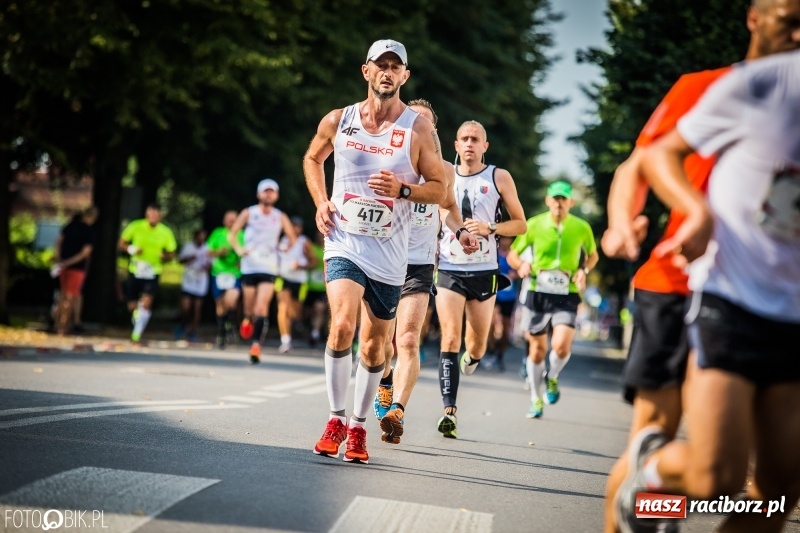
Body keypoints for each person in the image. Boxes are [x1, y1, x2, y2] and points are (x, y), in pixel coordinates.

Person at [602, 2, 800, 530]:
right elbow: (639, 163)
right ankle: (642, 505)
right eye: (790, 20)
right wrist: (623, 223)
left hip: (774, 292)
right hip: (677, 280)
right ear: (756, 18)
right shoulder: (710, 85)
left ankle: (655, 507)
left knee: (770, 489)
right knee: (660, 431)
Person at [303, 39, 448, 464]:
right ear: (366, 71)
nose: (387, 72)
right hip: (345, 239)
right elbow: (313, 159)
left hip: (389, 253)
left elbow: (440, 189)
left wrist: (404, 189)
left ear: (405, 75)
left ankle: (359, 426)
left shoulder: (417, 129)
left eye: (394, 66)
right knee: (342, 325)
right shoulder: (339, 119)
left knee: (373, 348)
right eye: (379, 65)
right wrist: (320, 202)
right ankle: (334, 419)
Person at [372, 98, 478, 445]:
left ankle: (397, 411)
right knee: (378, 342)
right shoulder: (386, 159)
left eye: (427, 124)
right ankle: (385, 380)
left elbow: (447, 208)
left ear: (433, 131)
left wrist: (460, 231)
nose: (419, 128)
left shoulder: (444, 170)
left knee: (407, 338)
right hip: (381, 258)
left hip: (418, 263)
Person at [434, 120, 527, 438]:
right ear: (455, 144)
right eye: (464, 139)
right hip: (449, 267)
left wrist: (492, 229)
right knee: (450, 338)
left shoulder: (498, 176)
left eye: (476, 139)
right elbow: (437, 212)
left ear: (485, 146)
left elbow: (521, 225)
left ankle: (471, 358)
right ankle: (450, 411)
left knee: (475, 346)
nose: (470, 144)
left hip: (485, 272)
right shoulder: (445, 175)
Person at [507, 180, 598, 419]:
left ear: (571, 202)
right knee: (537, 351)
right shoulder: (534, 225)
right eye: (555, 198)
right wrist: (522, 264)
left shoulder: (581, 227)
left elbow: (593, 255)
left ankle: (553, 376)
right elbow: (513, 255)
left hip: (566, 294)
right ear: (548, 200)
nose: (559, 203)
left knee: (561, 346)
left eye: (563, 199)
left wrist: (583, 270)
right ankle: (536, 399)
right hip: (538, 292)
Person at [229, 179, 296, 363]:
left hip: (268, 266)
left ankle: (256, 346)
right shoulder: (249, 212)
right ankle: (247, 319)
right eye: (265, 191)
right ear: (259, 194)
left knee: (261, 307)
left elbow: (292, 237)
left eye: (272, 192)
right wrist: (239, 249)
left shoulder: (280, 216)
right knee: (249, 309)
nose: (268, 194)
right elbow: (232, 234)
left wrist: (285, 248)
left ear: (276, 195)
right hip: (249, 265)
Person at [119, 203, 177, 343]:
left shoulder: (165, 232)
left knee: (147, 302)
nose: (154, 218)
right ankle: (138, 318)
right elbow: (122, 243)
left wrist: (165, 257)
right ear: (147, 214)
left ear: (160, 216)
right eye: (151, 214)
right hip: (136, 269)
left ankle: (136, 335)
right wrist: (132, 249)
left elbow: (172, 252)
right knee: (132, 305)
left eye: (157, 215)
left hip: (153, 271)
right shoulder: (136, 226)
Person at [52, 206, 98, 335]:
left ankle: (57, 323)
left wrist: (59, 258)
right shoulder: (90, 232)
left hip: (62, 265)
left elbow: (58, 241)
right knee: (71, 296)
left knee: (63, 294)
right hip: (77, 268)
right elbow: (85, 253)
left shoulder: (70, 226)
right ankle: (63, 325)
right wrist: (69, 262)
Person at [277, 216, 317, 353]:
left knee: (294, 313)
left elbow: (314, 262)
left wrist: (300, 265)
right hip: (283, 278)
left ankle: (298, 327)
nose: (295, 229)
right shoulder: (281, 240)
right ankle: (285, 341)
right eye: (293, 226)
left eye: (298, 226)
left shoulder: (304, 242)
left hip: (299, 281)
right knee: (283, 308)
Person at [207, 210, 244, 349]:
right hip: (218, 273)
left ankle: (231, 323)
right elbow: (209, 251)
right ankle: (222, 332)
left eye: (234, 219)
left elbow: (247, 252)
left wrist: (241, 260)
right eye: (229, 219)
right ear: (224, 221)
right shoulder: (217, 233)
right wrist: (219, 252)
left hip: (234, 274)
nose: (232, 221)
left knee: (231, 301)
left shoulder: (242, 235)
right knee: (220, 305)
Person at [483, 235, 518, 372]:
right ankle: (490, 349)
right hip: (494, 293)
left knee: (505, 328)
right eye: (503, 238)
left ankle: (500, 354)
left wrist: (516, 274)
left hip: (509, 296)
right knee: (491, 322)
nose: (505, 241)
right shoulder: (494, 253)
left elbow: (523, 271)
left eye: (508, 239)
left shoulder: (515, 255)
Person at [174, 229, 211, 342]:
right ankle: (183, 325)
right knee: (186, 307)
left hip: (201, 282)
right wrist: (190, 258)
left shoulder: (208, 248)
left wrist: (207, 267)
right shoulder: (188, 247)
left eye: (203, 236)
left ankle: (193, 331)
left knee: (197, 309)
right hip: (188, 280)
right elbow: (180, 260)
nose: (201, 239)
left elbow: (212, 264)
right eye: (199, 236)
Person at [303, 228, 328, 348]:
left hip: (321, 288)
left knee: (319, 309)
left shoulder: (329, 249)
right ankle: (309, 329)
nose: (321, 237)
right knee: (306, 313)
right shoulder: (311, 247)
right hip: (308, 286)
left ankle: (315, 333)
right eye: (319, 235)